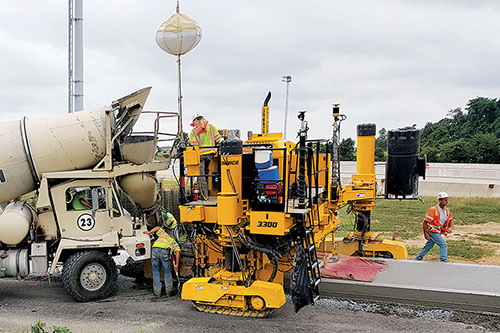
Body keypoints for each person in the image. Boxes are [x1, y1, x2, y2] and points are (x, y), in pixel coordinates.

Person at [189, 113, 222, 199]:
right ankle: (206, 191)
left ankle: (204, 195)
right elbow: (218, 139)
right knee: (206, 173)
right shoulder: (211, 127)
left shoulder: (194, 131)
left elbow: (194, 145)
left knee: (201, 175)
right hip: (210, 154)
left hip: (200, 156)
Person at [416, 192, 454, 262]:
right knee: (443, 245)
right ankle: (443, 261)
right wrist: (425, 233)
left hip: (438, 231)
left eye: (447, 200)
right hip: (432, 230)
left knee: (429, 245)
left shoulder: (447, 211)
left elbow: (451, 221)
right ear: (439, 200)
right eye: (445, 200)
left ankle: (418, 258)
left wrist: (450, 228)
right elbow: (425, 222)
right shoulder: (433, 210)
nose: (447, 202)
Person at [143, 226, 181, 297]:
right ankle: (168, 292)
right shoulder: (174, 242)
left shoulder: (164, 235)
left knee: (156, 271)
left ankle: (157, 293)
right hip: (165, 251)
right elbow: (178, 252)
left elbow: (157, 228)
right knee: (167, 272)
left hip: (155, 249)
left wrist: (149, 232)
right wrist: (176, 265)